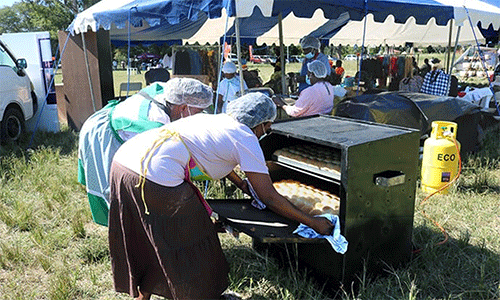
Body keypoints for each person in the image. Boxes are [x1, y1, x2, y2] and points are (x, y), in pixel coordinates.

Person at [108, 92, 333, 299]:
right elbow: (270, 197)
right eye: (267, 128)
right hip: (153, 175)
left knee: (150, 237)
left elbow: (216, 156)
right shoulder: (245, 137)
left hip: (124, 164)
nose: (266, 133)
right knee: (196, 239)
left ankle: (142, 296)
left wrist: (242, 185)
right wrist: (312, 222)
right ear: (261, 124)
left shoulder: (215, 120)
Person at [78, 78, 213, 226]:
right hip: (103, 134)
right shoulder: (155, 124)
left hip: (116, 122)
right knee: (114, 189)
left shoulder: (169, 91)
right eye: (198, 111)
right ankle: (123, 230)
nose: (200, 115)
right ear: (183, 108)